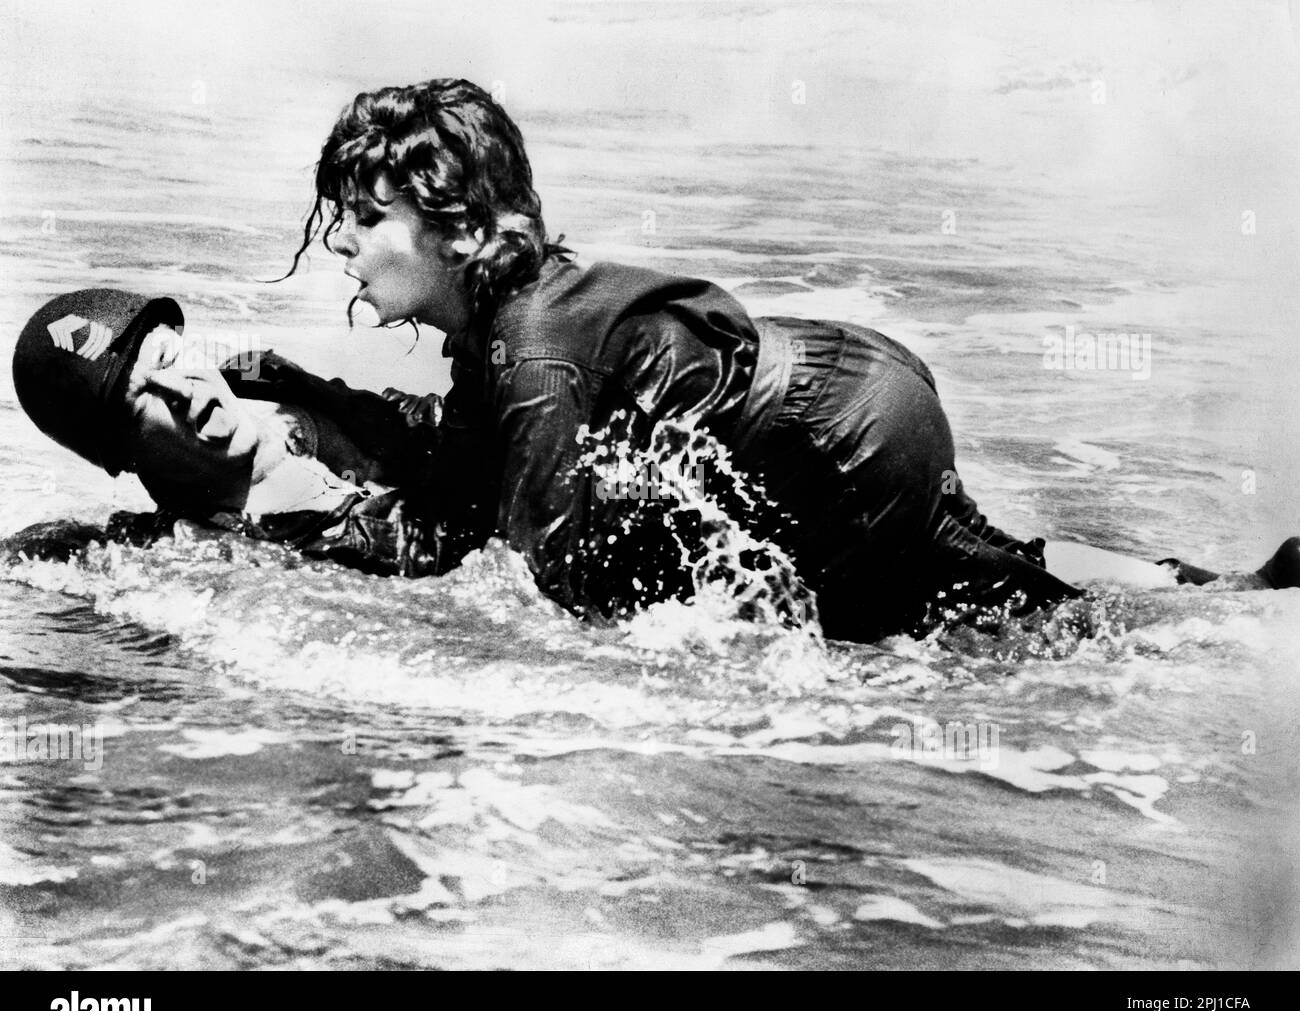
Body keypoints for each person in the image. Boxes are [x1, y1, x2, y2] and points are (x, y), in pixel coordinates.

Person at [278, 78, 1300, 642]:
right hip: (853, 384)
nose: (343, 244)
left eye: (369, 219)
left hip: (829, 436)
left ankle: (1201, 614)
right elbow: (472, 462)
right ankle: (1228, 597)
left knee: (926, 630)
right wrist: (316, 403)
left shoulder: (532, 350)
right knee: (983, 576)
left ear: (455, 233)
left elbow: (539, 579)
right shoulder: (520, 317)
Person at [7, 288, 468, 576]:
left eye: (167, 357)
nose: (179, 390)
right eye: (141, 403)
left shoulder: (269, 378)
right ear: (122, 457)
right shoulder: (227, 551)